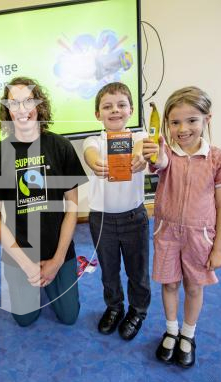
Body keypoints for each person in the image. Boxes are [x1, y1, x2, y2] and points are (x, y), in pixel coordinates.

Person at [0, 76, 88, 327]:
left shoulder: (61, 147)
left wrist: (59, 259)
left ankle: (60, 273)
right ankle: (27, 279)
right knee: (25, 319)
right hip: (20, 251)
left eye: (28, 101)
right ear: (6, 110)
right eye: (14, 103)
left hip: (57, 248)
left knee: (69, 317)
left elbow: (73, 207)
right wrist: (26, 265)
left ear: (39, 105)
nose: (22, 109)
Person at [149, 86, 221, 368]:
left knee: (193, 287)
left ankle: (188, 334)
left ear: (207, 119)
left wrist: (219, 249)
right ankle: (171, 329)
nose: (183, 128)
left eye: (192, 120)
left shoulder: (217, 159)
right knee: (169, 283)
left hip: (199, 236)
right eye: (175, 122)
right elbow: (159, 160)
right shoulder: (165, 153)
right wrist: (153, 149)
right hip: (166, 233)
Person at [83, 82, 159, 340]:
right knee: (109, 270)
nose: (114, 110)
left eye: (121, 105)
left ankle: (138, 311)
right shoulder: (93, 140)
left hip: (133, 219)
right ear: (98, 114)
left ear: (131, 110)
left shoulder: (138, 137)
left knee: (137, 271)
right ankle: (114, 307)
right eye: (107, 106)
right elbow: (90, 154)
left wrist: (139, 156)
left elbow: (140, 147)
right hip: (101, 220)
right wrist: (96, 164)